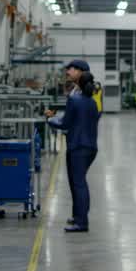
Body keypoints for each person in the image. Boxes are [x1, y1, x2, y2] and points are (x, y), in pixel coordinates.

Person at [51, 59, 100, 234]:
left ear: (81, 72)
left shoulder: (76, 98)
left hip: (78, 146)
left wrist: (50, 120)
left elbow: (65, 123)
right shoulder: (90, 100)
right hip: (88, 145)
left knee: (78, 183)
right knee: (76, 183)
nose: (67, 72)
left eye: (70, 69)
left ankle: (81, 222)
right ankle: (78, 216)